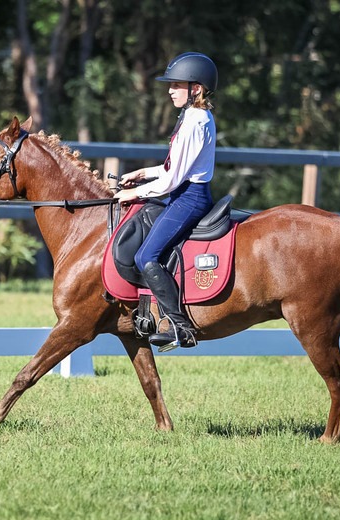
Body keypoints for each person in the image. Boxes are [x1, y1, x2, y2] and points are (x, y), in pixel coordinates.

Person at [114, 52, 218, 351]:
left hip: (189, 198)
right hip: (181, 194)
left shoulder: (196, 121)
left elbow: (174, 179)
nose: (170, 90)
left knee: (146, 256)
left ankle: (180, 326)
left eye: (176, 85)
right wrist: (142, 174)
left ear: (196, 88)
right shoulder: (191, 116)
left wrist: (136, 193)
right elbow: (174, 168)